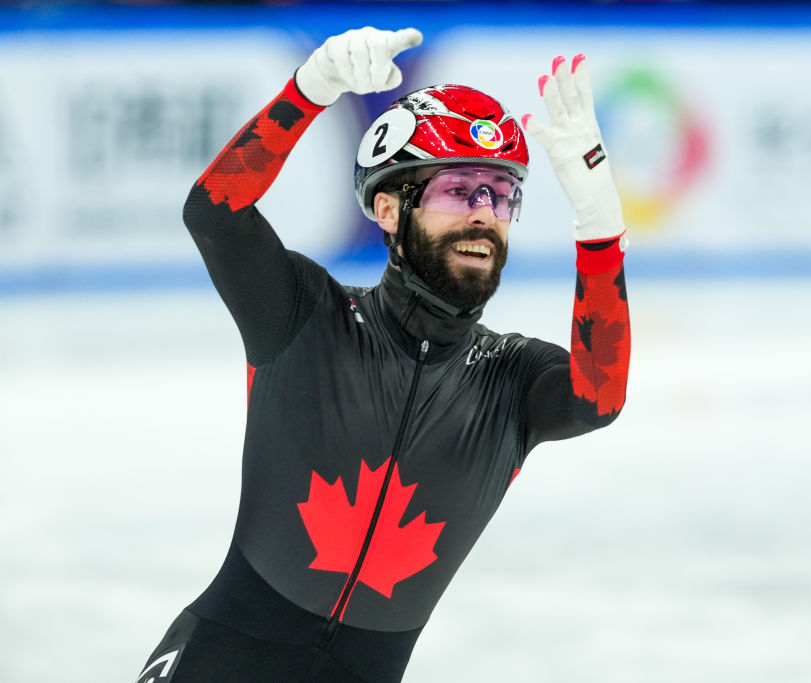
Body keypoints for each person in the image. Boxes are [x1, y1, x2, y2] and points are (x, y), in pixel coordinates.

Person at [137, 26, 629, 683]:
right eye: (460, 190)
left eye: (501, 195)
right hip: (221, 657)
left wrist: (599, 224)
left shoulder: (512, 378)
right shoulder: (306, 313)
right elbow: (215, 215)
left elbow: (599, 396)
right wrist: (306, 93)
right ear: (389, 207)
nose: (484, 213)